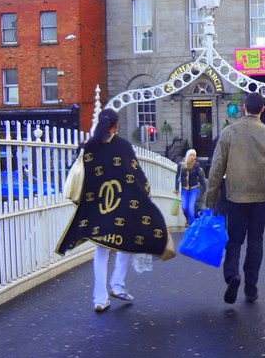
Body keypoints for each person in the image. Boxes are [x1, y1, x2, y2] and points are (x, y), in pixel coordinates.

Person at [55, 108, 175, 312]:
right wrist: (145, 194)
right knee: (125, 242)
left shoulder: (89, 148)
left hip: (98, 207)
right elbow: (136, 175)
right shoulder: (123, 146)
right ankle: (117, 285)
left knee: (101, 251)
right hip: (123, 206)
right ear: (115, 125)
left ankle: (99, 299)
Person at [206, 92, 265, 304]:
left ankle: (232, 276)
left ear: (244, 108)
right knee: (255, 241)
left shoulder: (228, 133)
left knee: (234, 240)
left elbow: (216, 169)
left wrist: (210, 198)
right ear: (262, 109)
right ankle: (251, 288)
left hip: (235, 196)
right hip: (260, 198)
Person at [175, 148, 207, 226]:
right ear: (187, 156)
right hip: (184, 189)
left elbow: (200, 177)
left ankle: (192, 225)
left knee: (191, 207)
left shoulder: (196, 165)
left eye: (194, 155)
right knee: (184, 207)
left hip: (194, 188)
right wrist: (176, 188)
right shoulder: (181, 165)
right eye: (191, 155)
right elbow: (177, 177)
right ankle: (188, 219)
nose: (193, 157)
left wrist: (206, 188)